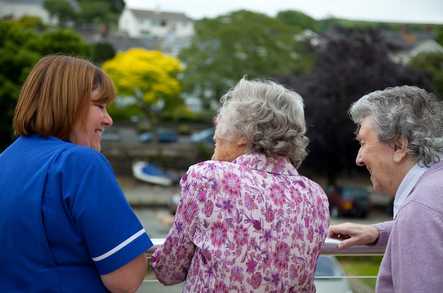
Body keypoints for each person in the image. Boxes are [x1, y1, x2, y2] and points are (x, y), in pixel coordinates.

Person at [152, 78, 330, 292]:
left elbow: (169, 271)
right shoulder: (315, 195)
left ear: (244, 136)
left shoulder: (209, 177)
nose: (216, 123)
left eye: (222, 119)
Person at [0, 55, 153, 292]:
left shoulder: (6, 160)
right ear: (68, 102)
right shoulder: (80, 163)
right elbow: (126, 278)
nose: (108, 120)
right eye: (100, 106)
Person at [329, 86, 443, 292]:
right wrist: (380, 232)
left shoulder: (420, 209)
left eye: (364, 143)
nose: (359, 159)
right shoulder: (432, 194)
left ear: (399, 147)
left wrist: (409, 222)